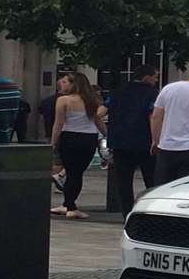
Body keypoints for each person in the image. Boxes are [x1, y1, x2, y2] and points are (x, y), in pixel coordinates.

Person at [48, 72, 106, 219]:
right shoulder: (92, 100)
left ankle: (69, 204)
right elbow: (98, 121)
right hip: (88, 138)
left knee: (71, 171)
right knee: (77, 173)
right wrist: (108, 135)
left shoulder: (63, 100)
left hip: (69, 136)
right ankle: (70, 204)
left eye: (65, 82)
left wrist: (53, 142)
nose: (61, 83)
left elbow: (58, 124)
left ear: (74, 84)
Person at [106, 64, 162, 213]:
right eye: (155, 76)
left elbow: (99, 113)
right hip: (144, 142)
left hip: (120, 143)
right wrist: (156, 140)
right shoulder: (153, 94)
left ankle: (127, 213)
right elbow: (153, 116)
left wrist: (107, 132)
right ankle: (152, 211)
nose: (156, 80)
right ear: (146, 77)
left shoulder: (117, 92)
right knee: (152, 180)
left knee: (123, 183)